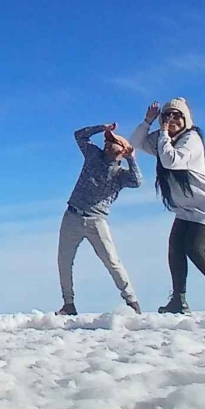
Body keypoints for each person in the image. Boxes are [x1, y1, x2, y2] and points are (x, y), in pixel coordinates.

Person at [130, 98, 205, 314]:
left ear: (186, 119)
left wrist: (162, 133)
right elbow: (134, 143)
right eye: (167, 116)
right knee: (175, 249)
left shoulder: (191, 139)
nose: (171, 120)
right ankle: (178, 301)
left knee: (194, 248)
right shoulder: (163, 140)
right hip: (186, 209)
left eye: (177, 116)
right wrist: (147, 121)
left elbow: (172, 160)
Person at [56, 122, 142, 316]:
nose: (107, 142)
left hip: (97, 221)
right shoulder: (93, 155)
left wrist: (132, 159)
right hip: (72, 215)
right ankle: (68, 304)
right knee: (64, 261)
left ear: (123, 149)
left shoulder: (121, 175)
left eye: (112, 141)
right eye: (107, 139)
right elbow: (79, 135)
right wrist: (101, 128)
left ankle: (132, 302)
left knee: (112, 261)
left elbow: (137, 181)